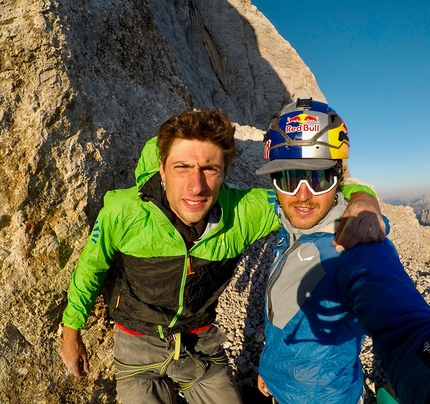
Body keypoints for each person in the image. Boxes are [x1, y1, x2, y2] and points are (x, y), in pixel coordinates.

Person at [60, 107, 384, 404]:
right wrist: (71, 333)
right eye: (182, 167)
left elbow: (311, 198)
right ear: (161, 168)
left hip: (200, 347)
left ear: (225, 171)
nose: (196, 186)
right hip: (136, 348)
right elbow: (92, 268)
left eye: (210, 169)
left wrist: (364, 200)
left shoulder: (243, 212)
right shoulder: (123, 210)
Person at [256, 99, 430, 404]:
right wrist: (269, 370)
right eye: (288, 178)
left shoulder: (355, 248)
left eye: (319, 177)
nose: (303, 196)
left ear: (338, 179)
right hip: (280, 387)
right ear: (275, 184)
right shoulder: (291, 225)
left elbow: (403, 325)